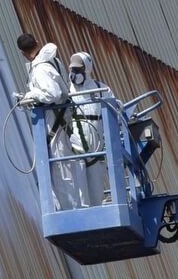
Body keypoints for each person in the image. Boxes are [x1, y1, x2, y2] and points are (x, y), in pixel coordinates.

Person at [14, 33, 80, 209]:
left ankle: (70, 210)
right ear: (37, 42)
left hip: (55, 121)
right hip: (62, 118)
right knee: (64, 165)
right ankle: (71, 207)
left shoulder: (40, 69)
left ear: (21, 52)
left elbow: (53, 94)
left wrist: (31, 95)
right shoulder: (54, 61)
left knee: (61, 168)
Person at [66, 52, 112, 206]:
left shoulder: (101, 89)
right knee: (80, 194)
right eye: (73, 70)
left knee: (96, 195)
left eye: (78, 70)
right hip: (76, 147)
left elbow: (115, 111)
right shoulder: (67, 91)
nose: (74, 74)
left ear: (87, 70)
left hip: (97, 149)